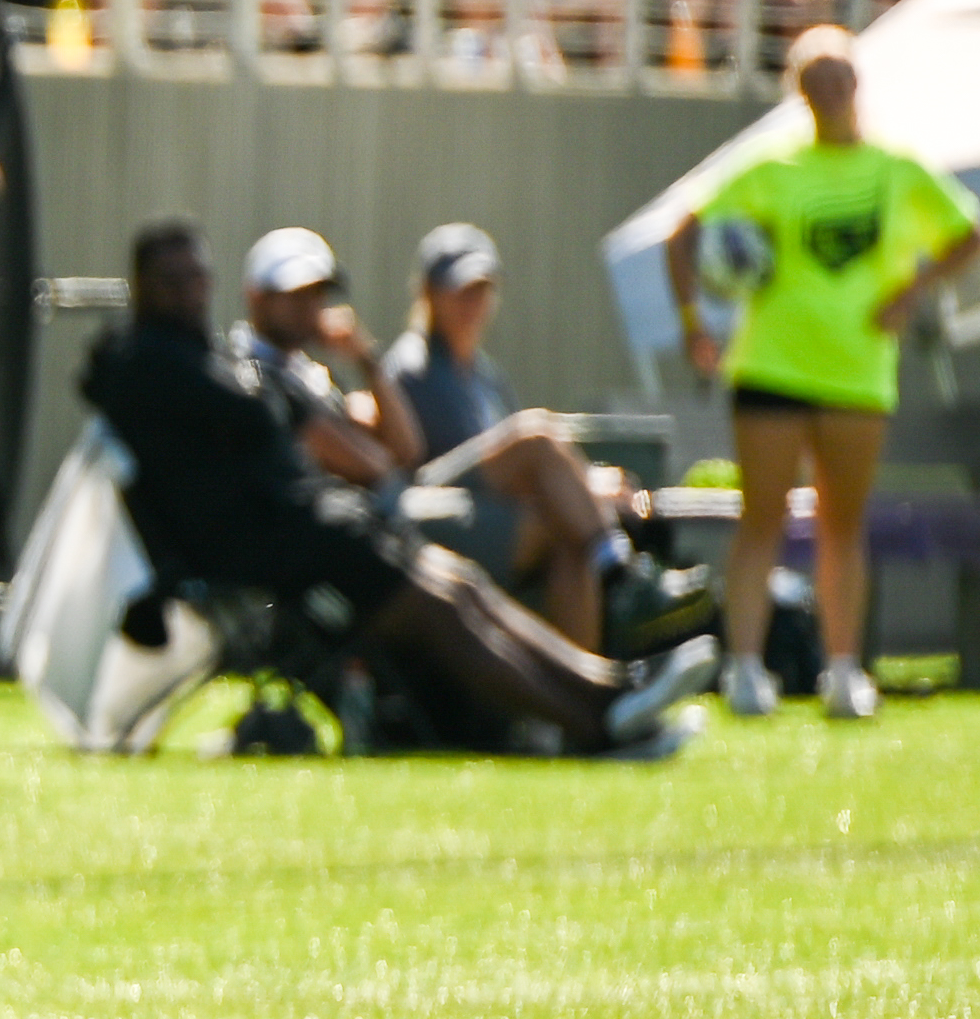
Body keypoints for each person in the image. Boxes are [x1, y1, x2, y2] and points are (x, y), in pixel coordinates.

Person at [81, 213, 701, 758]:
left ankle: (609, 691)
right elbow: (287, 431)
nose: (189, 291)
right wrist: (283, 403)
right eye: (173, 280)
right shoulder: (156, 363)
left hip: (320, 527)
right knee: (439, 609)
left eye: (197, 277)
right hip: (284, 550)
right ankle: (594, 723)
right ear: (145, 287)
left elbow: (376, 452)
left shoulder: (209, 360)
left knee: (461, 586)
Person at [666, 27, 980, 723]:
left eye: (839, 75)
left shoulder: (897, 168)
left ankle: (843, 671)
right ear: (800, 92)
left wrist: (912, 292)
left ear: (857, 82)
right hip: (771, 366)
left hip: (856, 372)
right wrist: (696, 323)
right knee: (763, 517)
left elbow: (970, 232)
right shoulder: (772, 168)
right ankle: (744, 669)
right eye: (815, 80)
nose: (830, 90)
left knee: (843, 522)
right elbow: (682, 234)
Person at [374, 221, 630, 657]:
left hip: (492, 511)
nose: (473, 303)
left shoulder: (488, 378)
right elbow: (434, 459)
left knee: (567, 539)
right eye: (461, 290)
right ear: (429, 293)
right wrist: (587, 487)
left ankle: (580, 684)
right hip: (433, 509)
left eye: (483, 290)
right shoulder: (411, 369)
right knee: (535, 436)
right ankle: (622, 572)